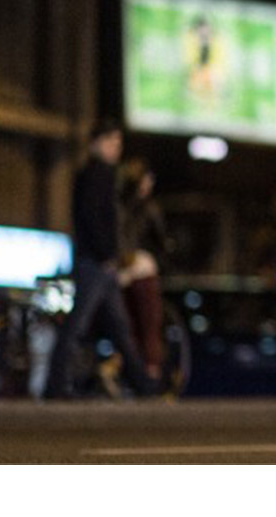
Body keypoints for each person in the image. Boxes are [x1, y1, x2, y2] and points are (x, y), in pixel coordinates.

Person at [44, 119, 157, 399]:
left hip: (101, 264)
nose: (115, 149)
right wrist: (107, 254)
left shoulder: (99, 174)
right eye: (111, 143)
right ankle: (55, 386)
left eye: (118, 144)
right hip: (95, 263)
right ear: (96, 143)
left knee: (120, 327)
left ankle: (142, 384)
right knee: (77, 326)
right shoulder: (97, 174)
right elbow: (93, 220)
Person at [118, 157, 169, 387]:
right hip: (142, 269)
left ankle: (131, 373)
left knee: (129, 326)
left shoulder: (119, 204)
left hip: (121, 270)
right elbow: (161, 241)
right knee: (149, 324)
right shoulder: (147, 207)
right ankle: (149, 374)